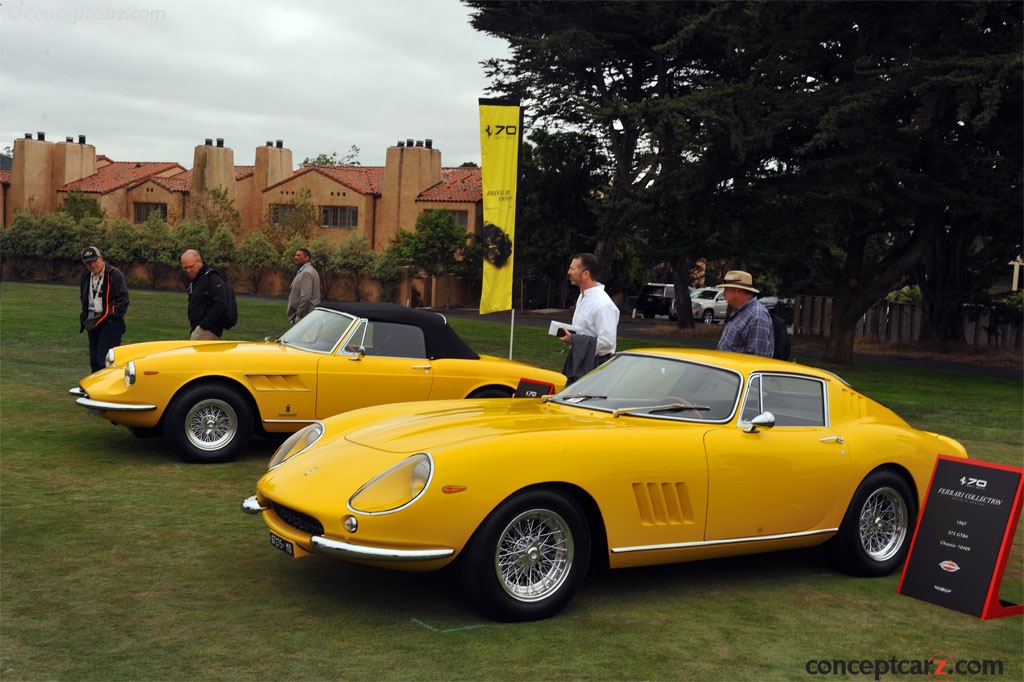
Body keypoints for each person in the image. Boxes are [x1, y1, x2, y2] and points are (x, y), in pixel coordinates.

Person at [560, 253, 620, 382]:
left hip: (595, 365)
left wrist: (574, 340)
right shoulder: (583, 297)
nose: (569, 272)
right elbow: (585, 330)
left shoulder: (603, 304)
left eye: (572, 268)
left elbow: (607, 342)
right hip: (579, 359)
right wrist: (572, 337)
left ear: (585, 274)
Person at [79, 246, 130, 373]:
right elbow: (84, 296)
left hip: (110, 323)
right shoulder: (86, 275)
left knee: (104, 361)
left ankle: (105, 390)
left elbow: (123, 302)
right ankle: (95, 390)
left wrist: (109, 315)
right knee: (94, 361)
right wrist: (85, 315)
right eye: (88, 263)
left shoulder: (114, 274)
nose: (92, 265)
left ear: (101, 258)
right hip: (92, 321)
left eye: (94, 261)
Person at [715, 270, 774, 357]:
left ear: (738, 291)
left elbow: (758, 360)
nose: (724, 293)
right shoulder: (739, 311)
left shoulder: (757, 317)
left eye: (726, 289)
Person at [181, 249, 229, 340]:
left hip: (208, 329)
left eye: (191, 266)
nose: (188, 270)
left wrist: (204, 325)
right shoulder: (196, 280)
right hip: (198, 328)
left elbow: (220, 304)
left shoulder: (212, 277)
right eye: (185, 268)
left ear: (199, 261)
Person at [286, 247, 322, 324]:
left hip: (305, 317)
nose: (295, 257)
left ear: (306, 258)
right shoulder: (308, 270)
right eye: (295, 255)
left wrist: (299, 315)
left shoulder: (306, 273)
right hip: (308, 316)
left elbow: (306, 297)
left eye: (299, 255)